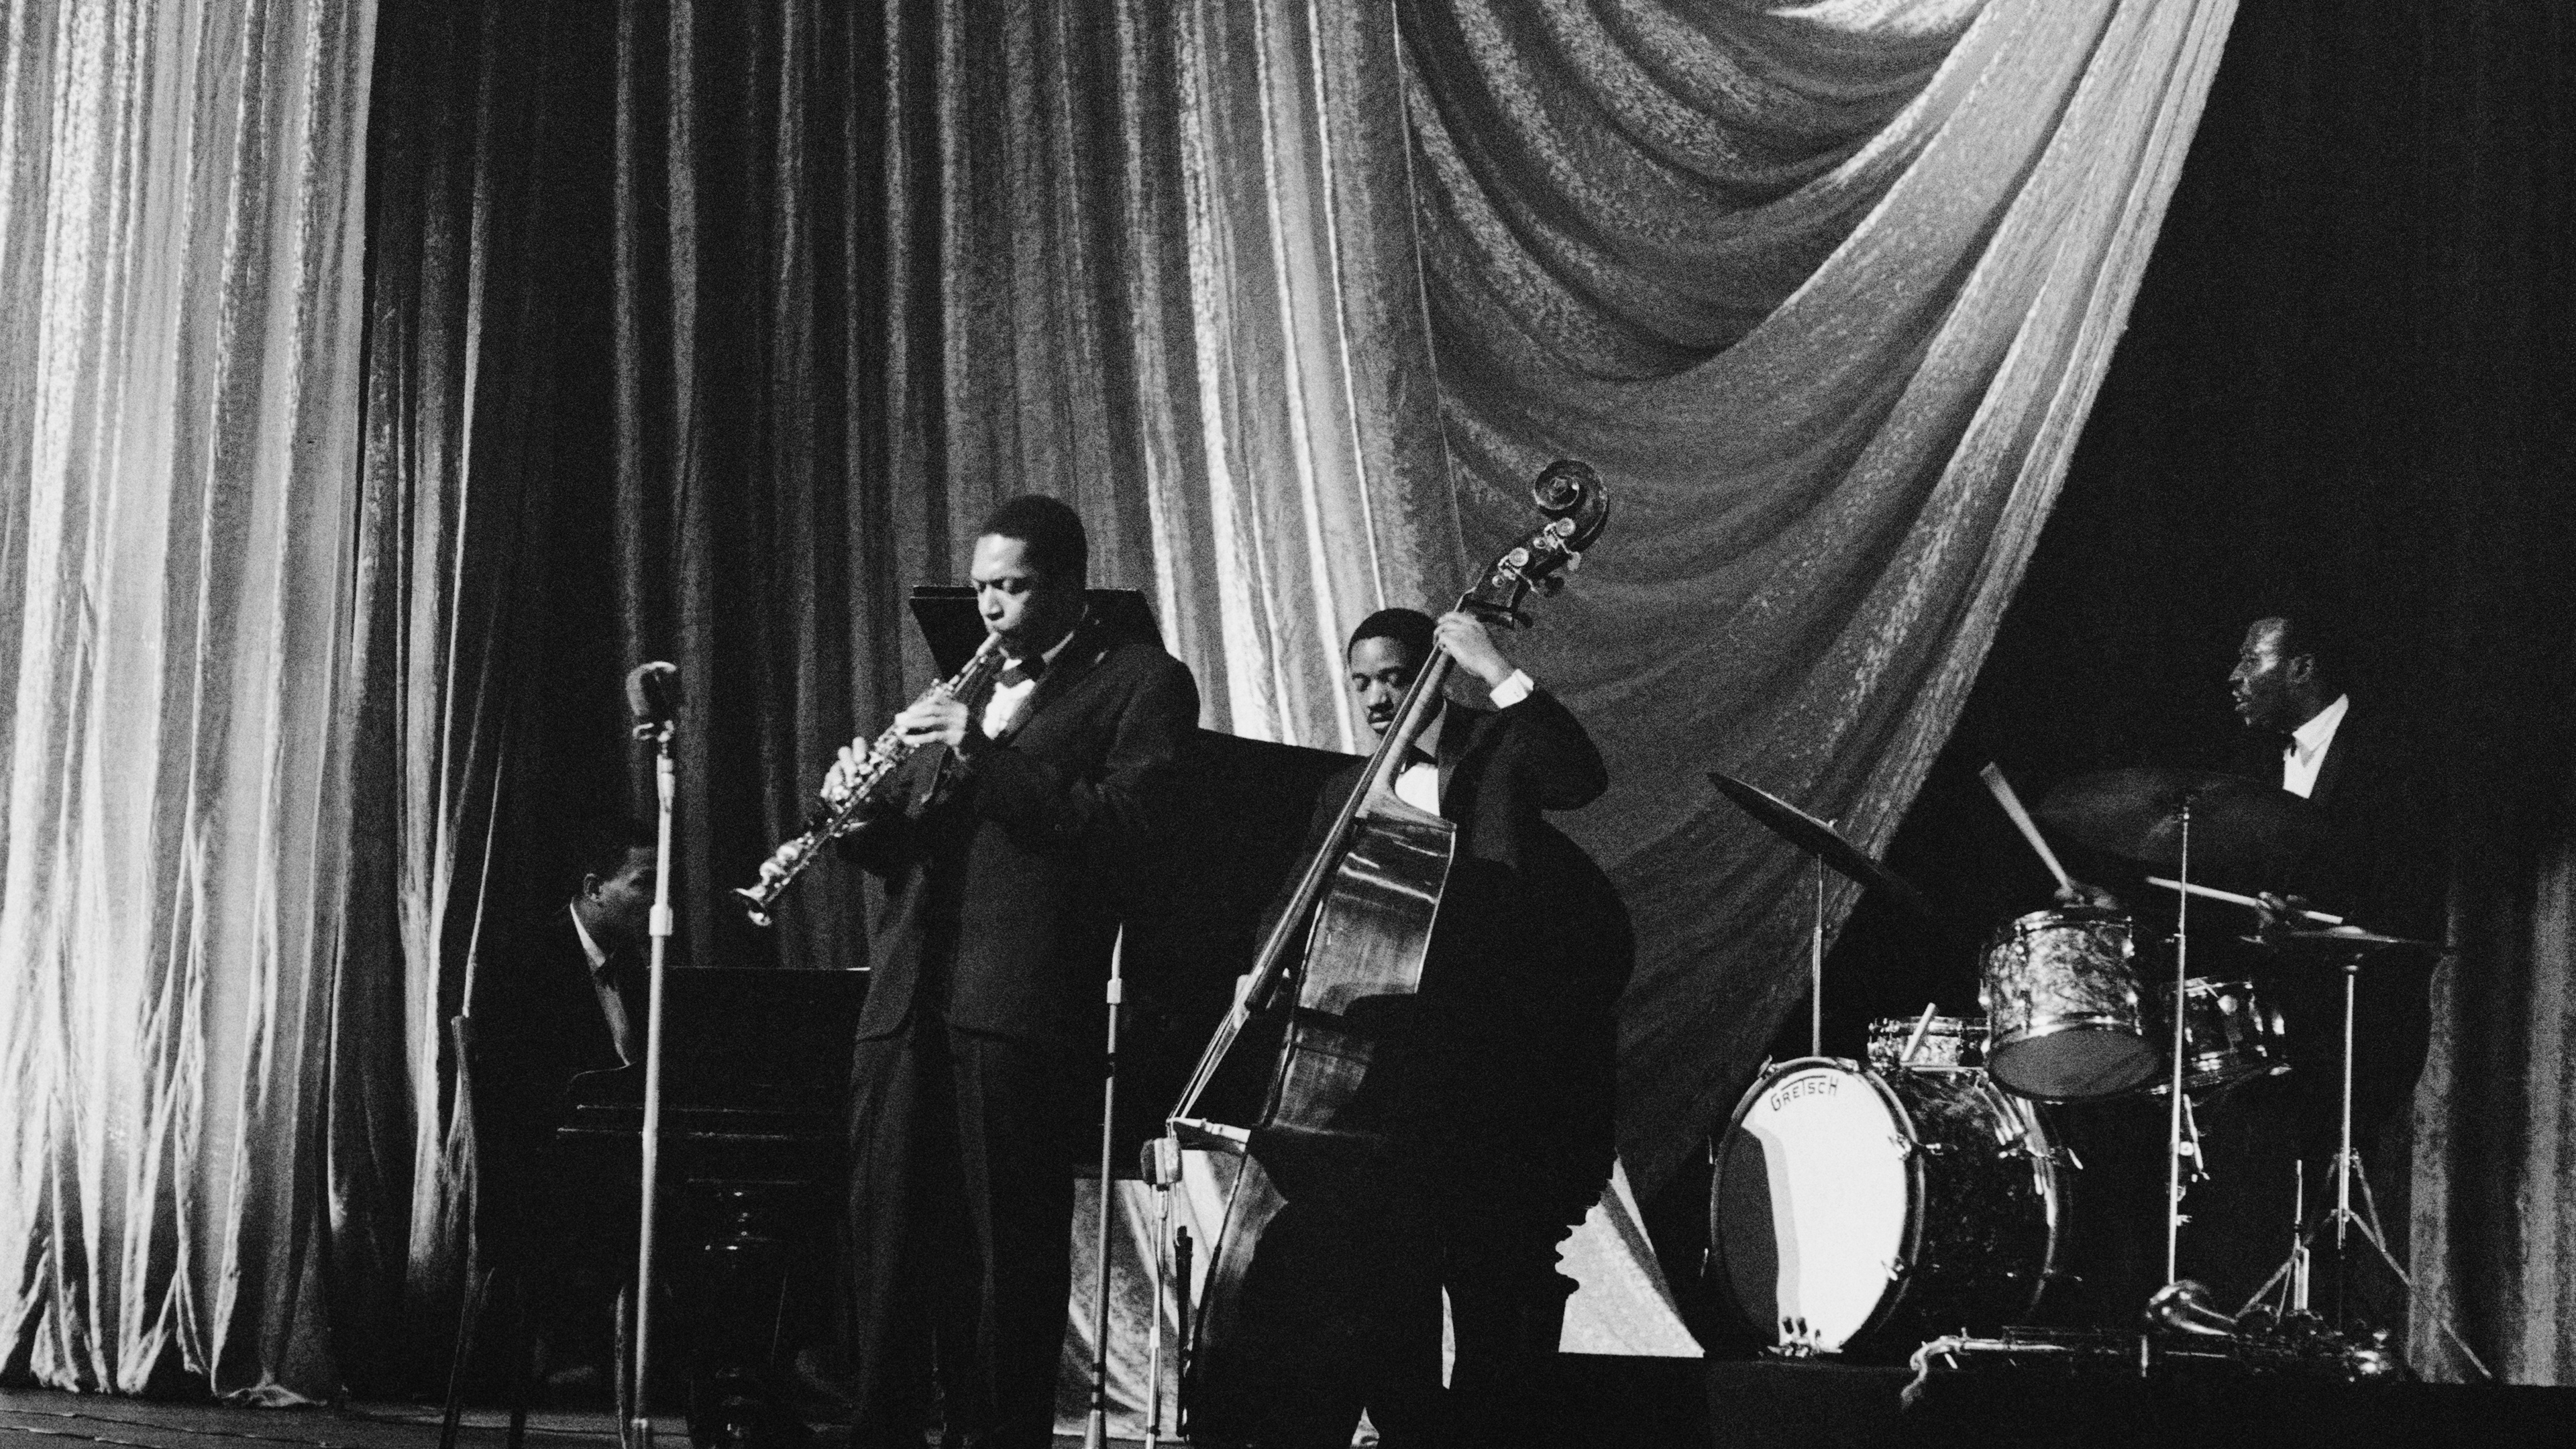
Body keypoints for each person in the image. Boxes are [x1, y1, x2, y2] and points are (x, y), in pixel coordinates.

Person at [830, 495, 1199, 1449]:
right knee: (888, 1251)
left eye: (1013, 587)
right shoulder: (967, 684)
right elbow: (914, 851)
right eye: (981, 587)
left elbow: (1128, 828)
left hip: (1016, 1007)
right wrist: (857, 816)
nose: (989, 607)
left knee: (1008, 1261)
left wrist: (980, 751)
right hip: (907, 999)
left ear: (1072, 587)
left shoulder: (1141, 682)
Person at [1223, 606, 1633, 1449]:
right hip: (1394, 1088)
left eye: (1395, 678)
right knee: (1379, 1287)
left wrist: (1494, 666)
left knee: (1495, 1288)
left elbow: (1580, 776)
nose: (1378, 698)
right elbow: (1296, 897)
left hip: (1495, 1072)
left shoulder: (1497, 749)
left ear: (1433, 674)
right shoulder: (1347, 790)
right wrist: (1259, 968)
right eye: (1362, 682)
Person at [2185, 614, 2440, 1313]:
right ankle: (2263, 1327)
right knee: (2251, 1178)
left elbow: (2412, 898)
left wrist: (2320, 927)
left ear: (2301, 667)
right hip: (2274, 1025)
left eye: (2251, 660)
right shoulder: (2248, 769)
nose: (2234, 677)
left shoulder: (2391, 757)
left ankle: (2323, 1331)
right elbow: (2219, 893)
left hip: (2362, 1021)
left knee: (2321, 1192)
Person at [466, 816, 657, 1383]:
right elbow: (518, 1104)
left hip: (614, 1167)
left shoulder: (637, 969)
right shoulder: (526, 963)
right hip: (548, 1183)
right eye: (644, 884)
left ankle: (728, 1381)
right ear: (594, 887)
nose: (658, 901)